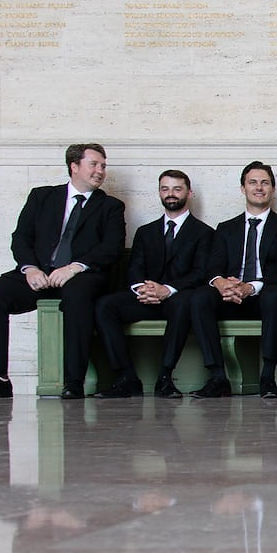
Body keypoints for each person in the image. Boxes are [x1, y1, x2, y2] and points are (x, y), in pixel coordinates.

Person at [0, 143, 126, 400]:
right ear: (74, 166)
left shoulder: (111, 206)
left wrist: (74, 267)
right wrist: (30, 269)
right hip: (40, 272)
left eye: (103, 166)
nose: (100, 171)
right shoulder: (42, 197)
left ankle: (74, 382)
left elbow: (112, 248)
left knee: (77, 296)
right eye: (94, 164)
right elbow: (21, 238)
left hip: (82, 276)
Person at [93, 169, 214, 399]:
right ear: (159, 192)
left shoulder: (204, 233)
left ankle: (165, 378)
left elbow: (201, 273)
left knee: (183, 304)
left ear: (189, 193)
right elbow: (135, 268)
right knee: (104, 305)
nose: (171, 194)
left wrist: (166, 290)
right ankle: (126, 377)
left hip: (177, 298)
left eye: (177, 189)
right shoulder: (145, 232)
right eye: (165, 189)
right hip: (145, 297)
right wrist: (143, 289)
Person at [189, 161, 277, 399]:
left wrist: (250, 286)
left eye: (265, 183)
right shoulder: (225, 228)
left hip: (263, 296)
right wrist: (220, 283)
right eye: (253, 182)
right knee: (199, 297)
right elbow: (212, 266)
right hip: (229, 295)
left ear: (273, 189)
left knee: (275, 295)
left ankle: (268, 376)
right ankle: (218, 377)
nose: (259, 188)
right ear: (243, 188)